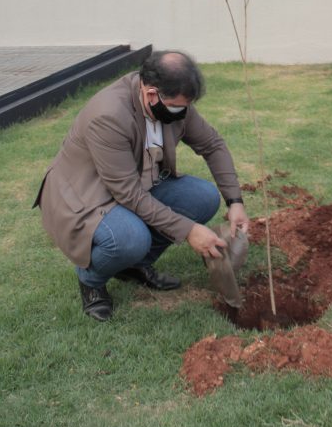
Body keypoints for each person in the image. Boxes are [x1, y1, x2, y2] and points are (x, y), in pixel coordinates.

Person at [33, 49, 249, 321]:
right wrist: (189, 230)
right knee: (130, 239)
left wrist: (235, 201)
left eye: (185, 106)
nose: (182, 113)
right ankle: (91, 279)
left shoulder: (174, 103)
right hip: (87, 195)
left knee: (204, 198)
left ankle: (134, 266)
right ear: (150, 94)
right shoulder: (108, 116)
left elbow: (212, 145)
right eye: (176, 107)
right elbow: (128, 194)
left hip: (137, 181)